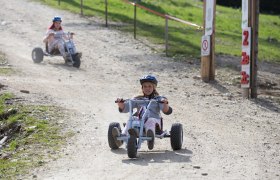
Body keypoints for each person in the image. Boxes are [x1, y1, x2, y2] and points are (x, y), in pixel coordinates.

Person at [114, 75, 172, 150]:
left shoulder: (158, 99)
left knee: (150, 120)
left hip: (155, 123)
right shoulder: (137, 98)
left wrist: (165, 104)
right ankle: (122, 137)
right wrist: (120, 103)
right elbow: (126, 107)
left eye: (149, 86)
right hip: (139, 122)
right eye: (145, 86)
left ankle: (150, 137)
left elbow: (166, 111)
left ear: (154, 87)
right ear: (142, 88)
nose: (147, 88)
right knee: (131, 119)